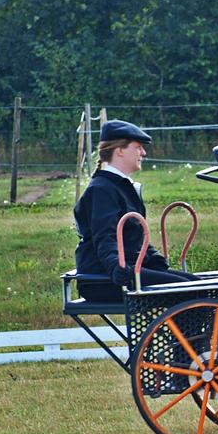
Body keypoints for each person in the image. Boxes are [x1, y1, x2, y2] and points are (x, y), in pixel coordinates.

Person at [73, 120, 199, 302]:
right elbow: (105, 237)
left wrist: (154, 259)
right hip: (104, 279)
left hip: (130, 267)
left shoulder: (121, 186)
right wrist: (117, 267)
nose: (143, 153)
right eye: (138, 147)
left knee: (196, 283)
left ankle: (196, 330)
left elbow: (134, 236)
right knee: (190, 291)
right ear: (120, 151)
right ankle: (195, 330)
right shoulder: (101, 190)